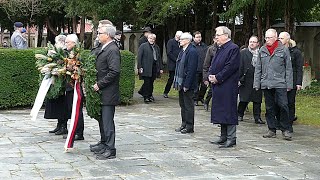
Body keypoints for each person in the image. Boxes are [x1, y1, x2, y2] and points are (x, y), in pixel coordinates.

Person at [253, 29, 293, 140]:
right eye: (266, 38)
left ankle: (285, 129)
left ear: (275, 37)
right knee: (269, 107)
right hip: (266, 83)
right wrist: (257, 83)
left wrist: (289, 84)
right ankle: (271, 129)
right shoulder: (262, 50)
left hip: (280, 83)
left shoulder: (283, 50)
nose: (267, 40)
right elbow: (258, 68)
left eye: (270, 37)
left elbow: (289, 68)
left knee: (283, 105)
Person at [91, 24, 120, 160]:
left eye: (100, 32)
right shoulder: (104, 48)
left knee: (108, 121)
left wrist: (99, 84)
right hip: (102, 91)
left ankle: (110, 148)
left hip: (108, 91)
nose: (98, 34)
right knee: (102, 119)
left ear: (107, 35)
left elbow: (114, 71)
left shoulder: (112, 49)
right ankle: (104, 143)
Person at [208, 26, 240, 148]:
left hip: (228, 85)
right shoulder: (219, 48)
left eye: (218, 34)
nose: (216, 36)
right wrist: (211, 75)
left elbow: (230, 67)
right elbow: (214, 63)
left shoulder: (233, 48)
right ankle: (223, 136)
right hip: (218, 85)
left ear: (226, 35)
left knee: (229, 110)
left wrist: (218, 77)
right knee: (221, 110)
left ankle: (231, 138)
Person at [278, 32, 303, 132]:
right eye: (278, 38)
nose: (279, 40)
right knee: (279, 102)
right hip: (280, 80)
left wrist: (298, 83)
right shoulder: (278, 50)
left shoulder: (296, 52)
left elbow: (299, 68)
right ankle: (280, 122)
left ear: (287, 40)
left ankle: (289, 123)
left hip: (292, 80)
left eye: (282, 38)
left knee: (290, 102)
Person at [62, 34, 85, 141]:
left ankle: (79, 132)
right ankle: (74, 130)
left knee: (76, 110)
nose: (66, 44)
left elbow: (79, 68)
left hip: (76, 86)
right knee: (71, 109)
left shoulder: (78, 54)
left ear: (74, 43)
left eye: (68, 42)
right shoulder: (67, 53)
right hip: (69, 85)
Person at [174, 32, 198, 134]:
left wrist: (187, 85)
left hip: (188, 83)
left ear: (188, 40)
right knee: (183, 105)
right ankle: (184, 124)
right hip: (181, 82)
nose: (180, 40)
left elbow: (191, 70)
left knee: (188, 106)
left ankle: (189, 126)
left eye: (182, 39)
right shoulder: (182, 51)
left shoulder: (192, 51)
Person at [237, 36, 265, 124]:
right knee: (244, 99)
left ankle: (257, 117)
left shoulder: (261, 53)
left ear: (258, 44)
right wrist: (239, 78)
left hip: (257, 78)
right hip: (246, 79)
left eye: (254, 42)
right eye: (250, 42)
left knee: (257, 100)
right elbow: (240, 66)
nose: (252, 43)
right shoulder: (243, 53)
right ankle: (239, 114)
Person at [45, 35, 68, 135]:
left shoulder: (65, 52)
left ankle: (63, 126)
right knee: (57, 104)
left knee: (63, 105)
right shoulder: (56, 51)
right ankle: (59, 125)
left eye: (57, 42)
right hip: (56, 80)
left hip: (63, 82)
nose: (55, 44)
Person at [137, 33, 163, 102]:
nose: (152, 40)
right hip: (146, 67)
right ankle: (146, 97)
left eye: (153, 39)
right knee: (147, 82)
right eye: (150, 38)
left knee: (151, 82)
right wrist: (140, 67)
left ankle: (150, 94)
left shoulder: (156, 47)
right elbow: (139, 57)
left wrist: (160, 68)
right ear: (148, 39)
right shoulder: (143, 46)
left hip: (154, 67)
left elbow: (159, 58)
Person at [163, 31, 182, 98]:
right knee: (171, 78)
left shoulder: (181, 43)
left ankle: (181, 93)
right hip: (172, 64)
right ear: (175, 36)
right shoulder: (171, 42)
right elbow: (169, 52)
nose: (178, 38)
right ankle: (166, 92)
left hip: (180, 64)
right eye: (178, 37)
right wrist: (176, 60)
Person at [192, 31, 208, 106]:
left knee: (204, 85)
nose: (199, 38)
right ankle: (195, 99)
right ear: (193, 38)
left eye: (200, 37)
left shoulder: (204, 46)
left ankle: (200, 97)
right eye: (197, 37)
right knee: (196, 85)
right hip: (195, 69)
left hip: (203, 69)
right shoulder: (191, 46)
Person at [202, 38, 218, 111]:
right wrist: (205, 77)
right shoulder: (211, 49)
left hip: (221, 73)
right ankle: (206, 101)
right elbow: (206, 64)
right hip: (212, 73)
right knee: (212, 90)